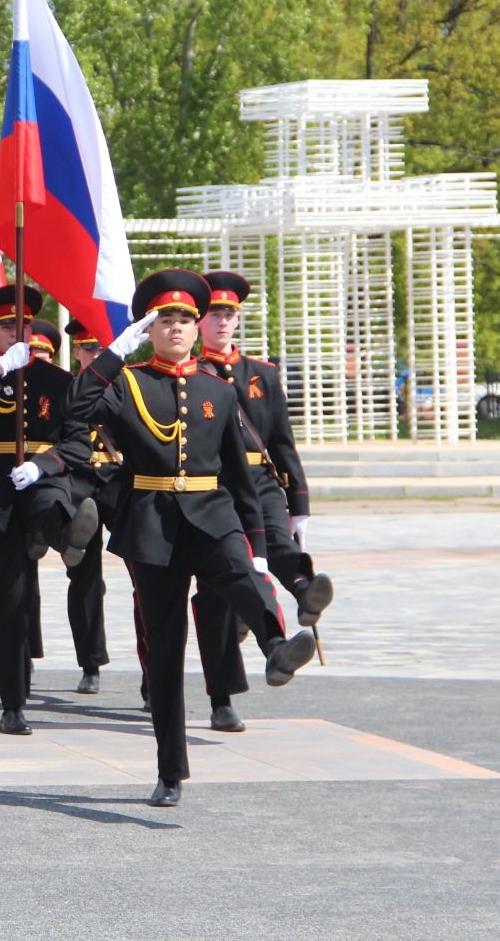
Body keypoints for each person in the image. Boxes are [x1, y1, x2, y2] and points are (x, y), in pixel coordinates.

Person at [68, 269, 318, 807]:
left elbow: (241, 474)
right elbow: (77, 412)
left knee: (238, 572)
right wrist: (112, 356)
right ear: (149, 329)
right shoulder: (129, 383)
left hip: (212, 511)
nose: (177, 328)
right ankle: (169, 770)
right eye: (165, 320)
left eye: (185, 319)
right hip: (153, 523)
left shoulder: (218, 389)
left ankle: (275, 646)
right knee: (165, 650)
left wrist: (255, 542)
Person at [0, 285, 98, 735]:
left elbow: (76, 444)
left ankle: (63, 535)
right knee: (9, 599)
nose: (17, 331)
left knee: (52, 503)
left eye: (24, 324)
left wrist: (42, 464)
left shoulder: (58, 380)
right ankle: (13, 703)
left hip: (42, 480)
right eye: (8, 326)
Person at [195, 270, 334, 732]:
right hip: (213, 487)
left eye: (229, 313)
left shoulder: (263, 374)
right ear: (199, 321)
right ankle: (222, 698)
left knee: (276, 541)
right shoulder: (191, 374)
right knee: (218, 589)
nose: (222, 321)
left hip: (260, 478)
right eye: (214, 313)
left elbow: (282, 441)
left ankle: (302, 591)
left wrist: (300, 504)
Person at [62, 318, 121, 695]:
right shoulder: (67, 389)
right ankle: (90, 661)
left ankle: (153, 673)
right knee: (85, 578)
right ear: (78, 354)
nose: (94, 355)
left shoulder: (128, 387)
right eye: (88, 349)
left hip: (121, 482)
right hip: (80, 485)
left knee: (146, 576)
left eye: (100, 348)